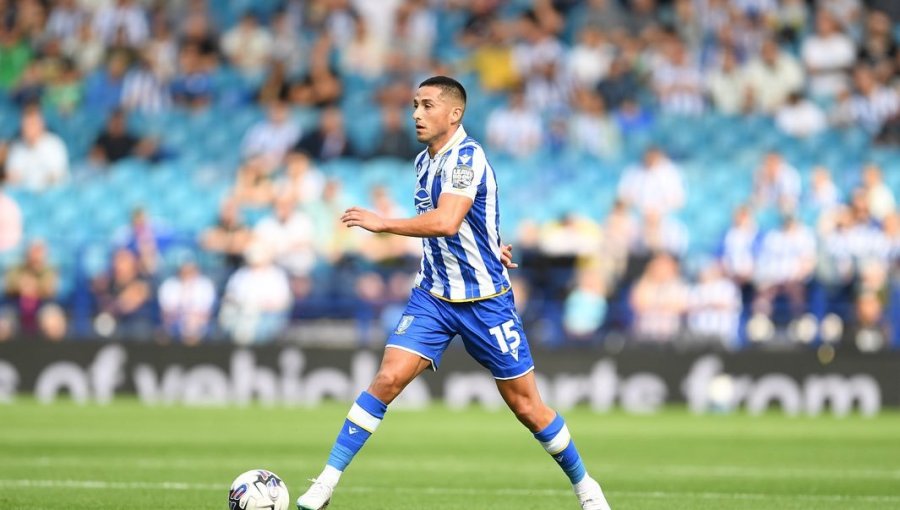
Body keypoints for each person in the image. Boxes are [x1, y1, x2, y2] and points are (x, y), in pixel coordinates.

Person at [295, 76, 611, 510]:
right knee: (387, 378)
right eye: (414, 105)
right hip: (434, 296)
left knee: (528, 407)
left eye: (426, 105)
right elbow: (467, 221)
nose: (416, 114)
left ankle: (586, 487)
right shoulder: (424, 162)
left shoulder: (467, 157)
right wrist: (489, 242)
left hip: (485, 301)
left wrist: (383, 222)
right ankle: (325, 484)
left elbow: (445, 221)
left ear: (454, 113)